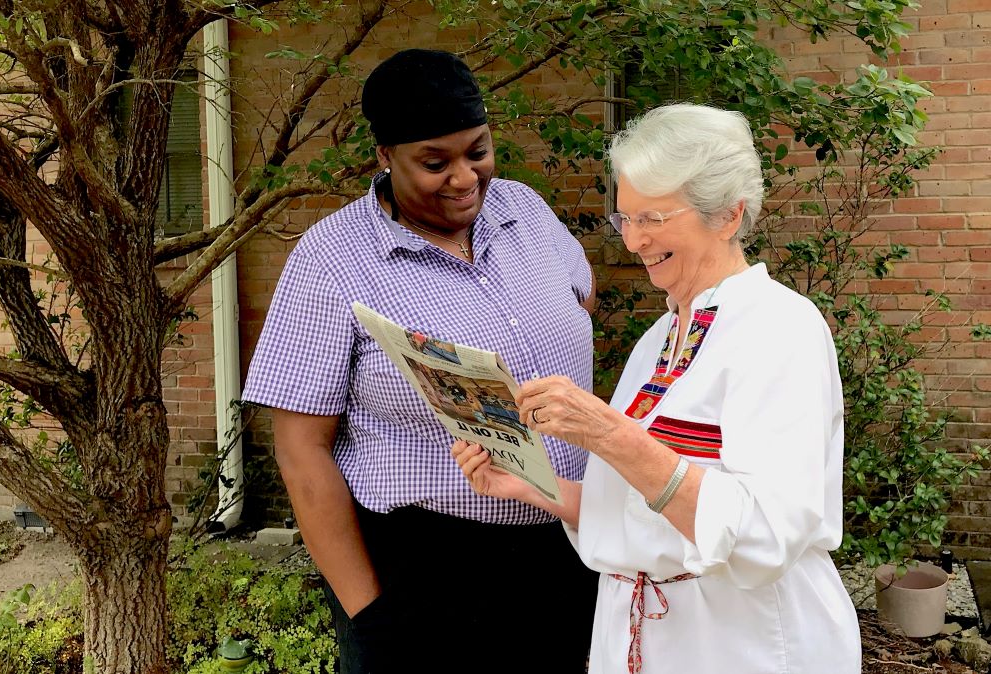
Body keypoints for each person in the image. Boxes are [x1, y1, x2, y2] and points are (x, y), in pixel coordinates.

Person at [453, 103, 862, 673]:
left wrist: (610, 435)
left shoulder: (778, 328)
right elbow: (636, 513)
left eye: (653, 219)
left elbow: (767, 533)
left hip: (742, 644)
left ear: (727, 215)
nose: (634, 242)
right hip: (639, 636)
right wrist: (529, 486)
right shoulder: (658, 341)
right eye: (625, 219)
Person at [243, 48, 599, 674]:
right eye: (435, 162)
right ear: (384, 156)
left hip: (572, 549)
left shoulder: (525, 211)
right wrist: (371, 613)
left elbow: (582, 296)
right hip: (423, 568)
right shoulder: (332, 258)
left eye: (478, 151)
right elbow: (302, 452)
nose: (464, 178)